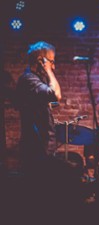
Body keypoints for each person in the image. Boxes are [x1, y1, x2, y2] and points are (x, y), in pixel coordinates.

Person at [16, 41, 61, 174]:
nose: (53, 66)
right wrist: (48, 70)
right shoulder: (28, 79)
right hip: (36, 148)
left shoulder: (37, 80)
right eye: (51, 62)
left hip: (43, 147)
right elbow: (56, 95)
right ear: (41, 61)